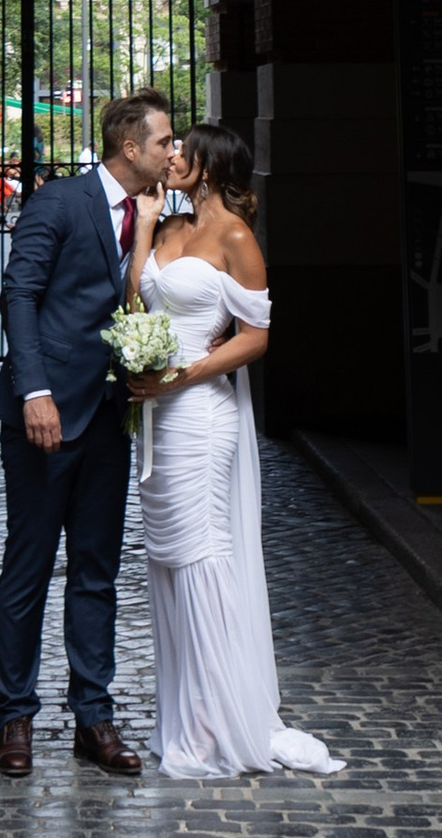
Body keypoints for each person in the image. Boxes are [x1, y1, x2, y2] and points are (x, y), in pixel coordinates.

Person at [121, 121, 344, 781]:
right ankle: (188, 719)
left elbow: (256, 336)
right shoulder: (165, 230)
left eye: (184, 150)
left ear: (213, 166)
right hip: (157, 415)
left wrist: (183, 375)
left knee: (203, 553)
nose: (173, 156)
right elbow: (137, 302)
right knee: (167, 559)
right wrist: (141, 231)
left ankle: (223, 722)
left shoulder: (236, 238)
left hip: (202, 412)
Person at [0, 86, 174, 777]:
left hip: (108, 416)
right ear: (131, 146)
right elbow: (21, 293)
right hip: (45, 414)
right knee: (29, 567)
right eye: (163, 141)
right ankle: (15, 720)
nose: (171, 151)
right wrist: (34, 390)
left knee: (96, 571)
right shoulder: (59, 201)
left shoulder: (152, 212)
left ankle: (94, 717)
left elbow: (133, 300)